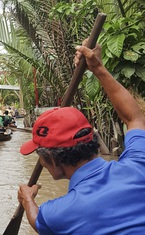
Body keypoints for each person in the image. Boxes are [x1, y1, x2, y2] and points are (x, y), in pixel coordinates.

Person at [17, 39, 145, 234]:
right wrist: (98, 68)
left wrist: (28, 199)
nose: (41, 162)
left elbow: (37, 220)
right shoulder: (138, 164)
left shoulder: (58, 214)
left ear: (52, 159)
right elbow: (134, 118)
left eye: (40, 156)